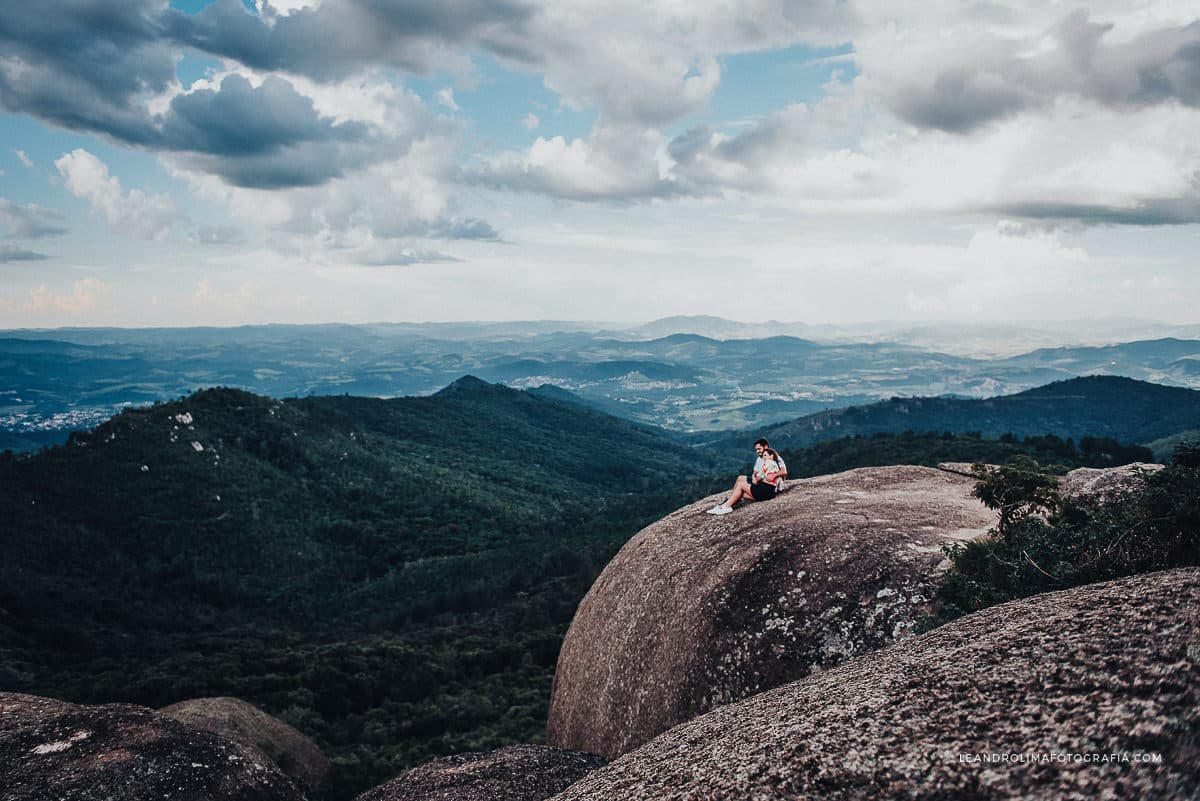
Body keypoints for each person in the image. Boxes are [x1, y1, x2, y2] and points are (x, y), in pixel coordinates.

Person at [706, 438, 787, 515]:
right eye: (756, 449)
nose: (757, 451)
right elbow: (756, 473)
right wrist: (755, 477)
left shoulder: (771, 460)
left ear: (765, 447)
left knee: (741, 485)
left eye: (759, 449)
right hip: (767, 490)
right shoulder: (762, 459)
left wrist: (771, 476)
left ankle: (727, 506)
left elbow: (783, 472)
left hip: (766, 488)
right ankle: (730, 502)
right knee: (740, 482)